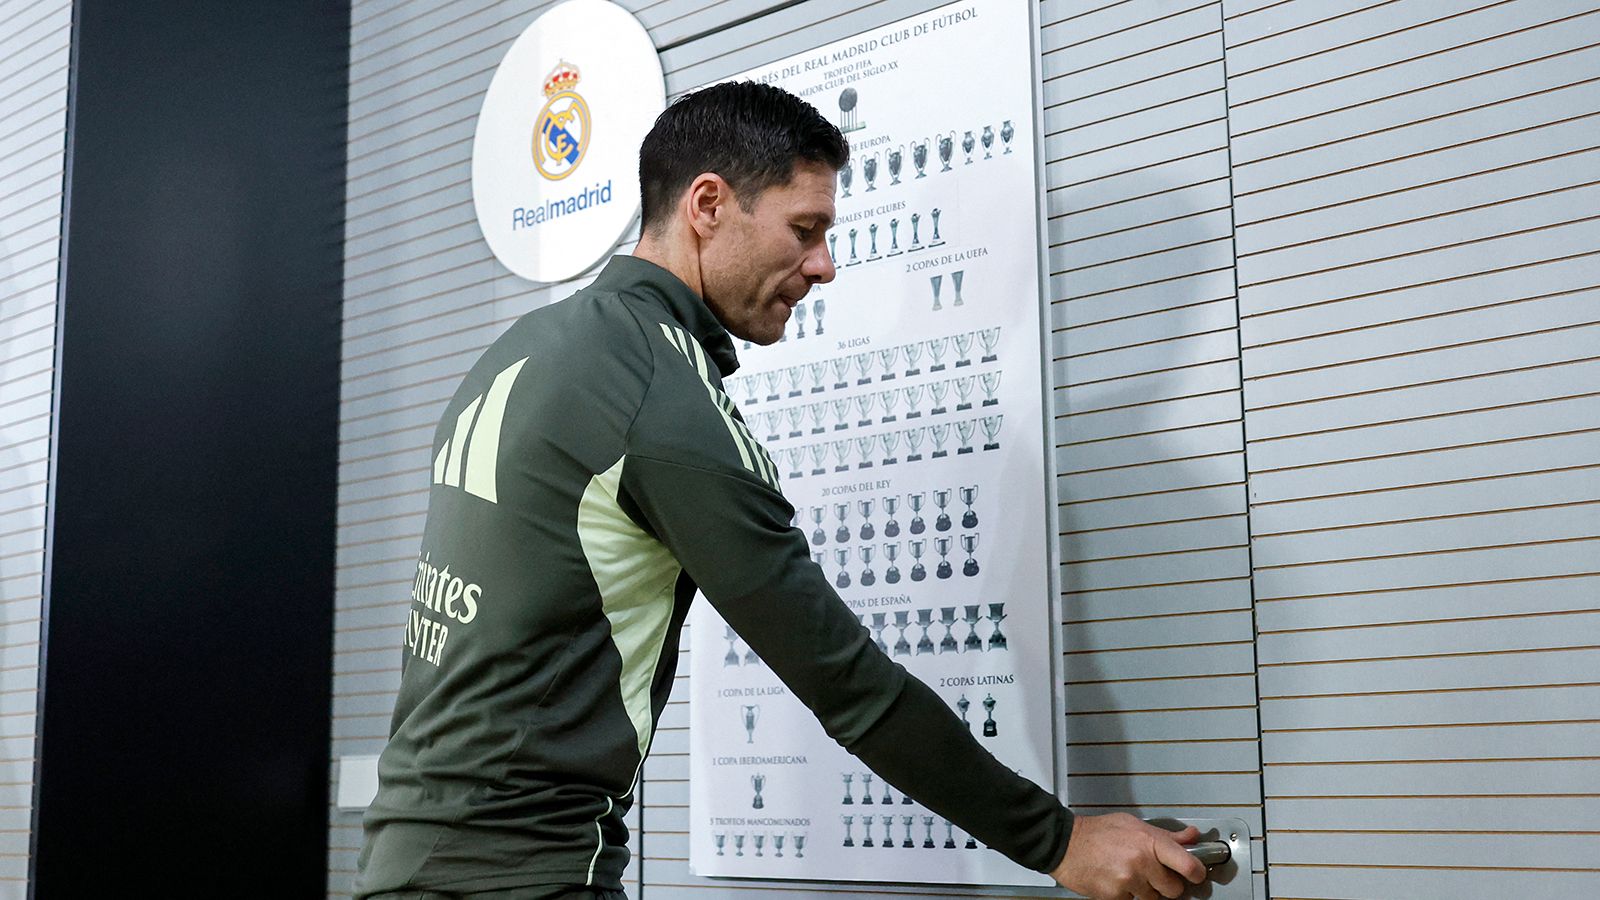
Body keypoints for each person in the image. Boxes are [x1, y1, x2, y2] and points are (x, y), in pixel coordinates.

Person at [355, 81, 1208, 900]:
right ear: (708, 205)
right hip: (522, 874)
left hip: (403, 861)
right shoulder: (657, 396)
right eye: (804, 230)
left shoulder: (525, 349)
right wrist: (1059, 842)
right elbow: (846, 684)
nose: (823, 266)